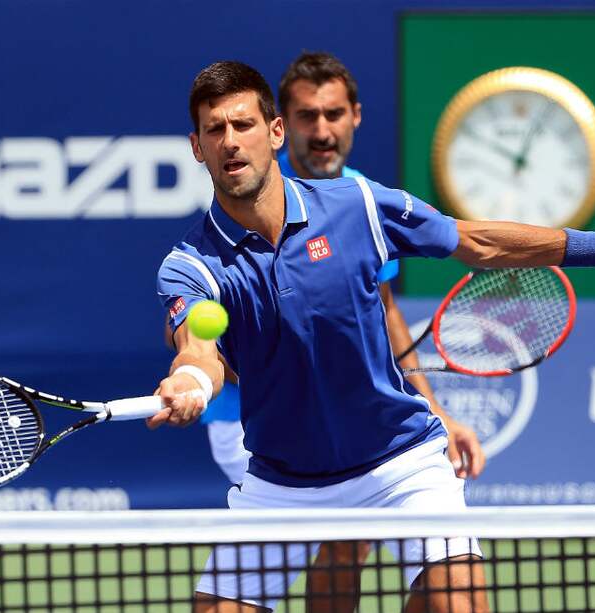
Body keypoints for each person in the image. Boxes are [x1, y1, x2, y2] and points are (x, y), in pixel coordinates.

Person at [151, 61, 595, 613]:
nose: (230, 141)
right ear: (198, 147)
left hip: (399, 463)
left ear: (274, 133)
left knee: (459, 605)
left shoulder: (357, 207)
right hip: (283, 484)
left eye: (243, 124)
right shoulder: (190, 265)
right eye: (215, 129)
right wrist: (191, 380)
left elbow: (477, 242)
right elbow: (199, 351)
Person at [189, 51, 483, 494]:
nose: (322, 132)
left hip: (338, 416)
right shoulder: (254, 187)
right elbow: (204, 337)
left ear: (355, 117)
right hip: (248, 422)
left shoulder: (360, 196)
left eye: (334, 115)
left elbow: (384, 309)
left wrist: (434, 409)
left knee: (363, 509)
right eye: (308, 116)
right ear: (282, 126)